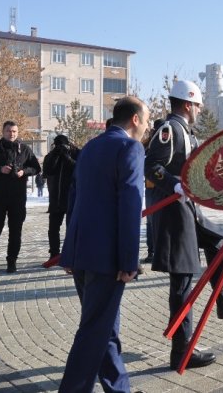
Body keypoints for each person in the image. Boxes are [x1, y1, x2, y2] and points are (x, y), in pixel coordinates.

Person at [145, 79, 223, 371]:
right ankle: (182, 349)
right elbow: (151, 167)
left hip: (188, 210)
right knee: (183, 281)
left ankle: (222, 294)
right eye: (198, 105)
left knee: (221, 241)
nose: (200, 110)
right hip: (174, 213)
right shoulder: (170, 130)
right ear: (187, 104)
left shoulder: (186, 132)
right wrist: (175, 185)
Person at [59, 96, 149, 393]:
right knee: (93, 332)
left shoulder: (90, 147)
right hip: (107, 260)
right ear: (135, 119)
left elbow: (74, 199)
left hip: (83, 252)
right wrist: (128, 261)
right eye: (146, 119)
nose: (147, 126)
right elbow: (130, 206)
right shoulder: (130, 148)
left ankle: (118, 387)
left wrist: (69, 251)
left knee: (104, 329)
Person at [0, 121, 41, 276]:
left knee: (16, 231)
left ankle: (12, 262)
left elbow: (37, 168)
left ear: (17, 133)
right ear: (2, 132)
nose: (11, 134)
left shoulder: (25, 149)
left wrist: (24, 172)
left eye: (14, 131)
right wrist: (0, 169)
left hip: (18, 198)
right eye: (8, 131)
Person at [41, 134, 80, 268]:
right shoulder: (51, 155)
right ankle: (54, 254)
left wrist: (67, 157)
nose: (61, 147)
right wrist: (56, 155)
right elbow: (47, 171)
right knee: (53, 229)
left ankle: (73, 253)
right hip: (56, 198)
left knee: (72, 228)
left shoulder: (76, 153)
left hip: (72, 198)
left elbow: (79, 168)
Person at [141, 119, 166, 265]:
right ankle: (153, 252)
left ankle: (155, 252)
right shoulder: (149, 144)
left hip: (158, 188)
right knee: (152, 222)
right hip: (153, 188)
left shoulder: (153, 143)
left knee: (155, 222)